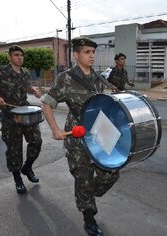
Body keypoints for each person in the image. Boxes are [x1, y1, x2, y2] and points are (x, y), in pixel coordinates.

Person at [42, 37, 119, 236]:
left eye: (93, 52)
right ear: (76, 55)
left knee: (112, 173)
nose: (92, 55)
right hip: (77, 136)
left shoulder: (99, 78)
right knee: (83, 177)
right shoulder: (65, 78)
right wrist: (55, 129)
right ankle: (88, 216)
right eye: (87, 52)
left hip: (99, 132)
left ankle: (86, 196)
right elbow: (47, 103)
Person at [0, 45, 42, 194]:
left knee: (36, 141)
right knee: (14, 149)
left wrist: (34, 91)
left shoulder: (25, 72)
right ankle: (17, 179)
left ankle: (27, 167)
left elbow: (26, 86)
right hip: (10, 115)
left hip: (25, 112)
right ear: (9, 57)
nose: (20, 57)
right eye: (16, 55)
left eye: (21, 55)